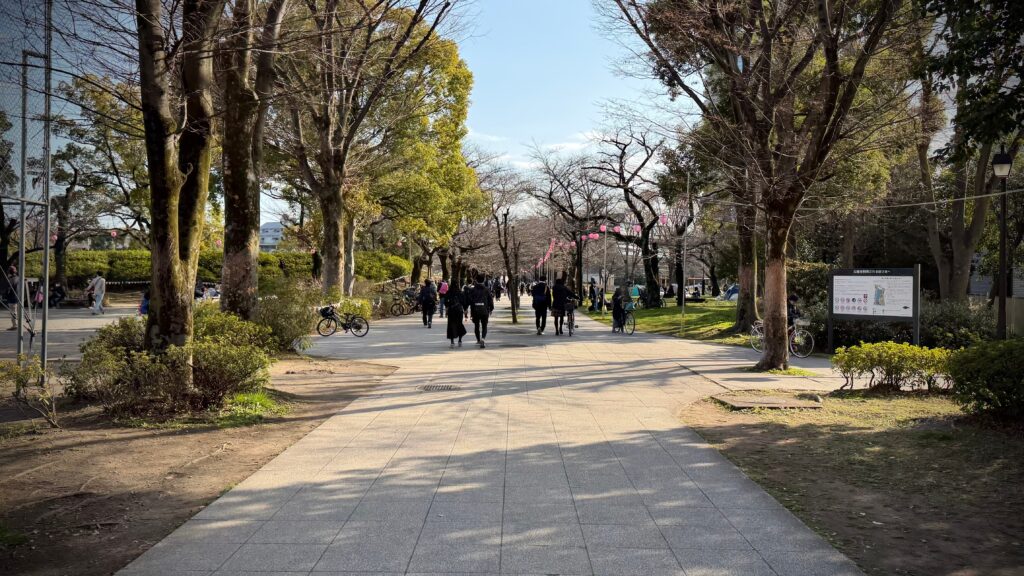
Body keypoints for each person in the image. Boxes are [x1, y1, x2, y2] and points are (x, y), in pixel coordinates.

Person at [466, 274, 494, 348]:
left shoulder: (473, 290)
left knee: (476, 325)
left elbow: (469, 300)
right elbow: (490, 300)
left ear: (476, 280)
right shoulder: (486, 289)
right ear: (484, 280)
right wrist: (491, 308)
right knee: (484, 326)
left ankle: (478, 340)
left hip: (475, 310)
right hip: (484, 310)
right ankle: (483, 338)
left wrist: (468, 309)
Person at [5, 266, 19, 330]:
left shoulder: (10, 279)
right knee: (16, 311)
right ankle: (16, 324)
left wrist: (6, 295)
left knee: (13, 312)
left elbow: (8, 289)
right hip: (18, 297)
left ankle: (15, 325)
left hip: (12, 297)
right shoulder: (18, 278)